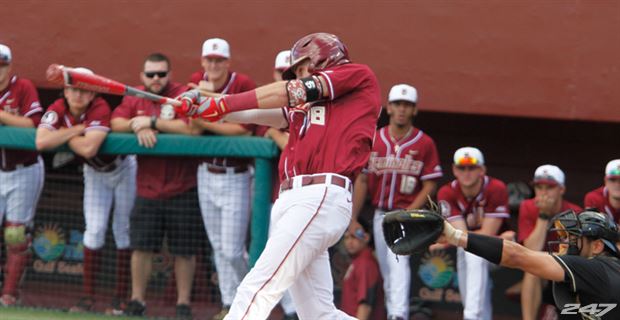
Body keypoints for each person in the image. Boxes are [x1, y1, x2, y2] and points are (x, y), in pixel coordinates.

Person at [175, 32, 381, 320]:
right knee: (318, 314)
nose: (298, 75)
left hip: (319, 194)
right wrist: (202, 101)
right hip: (294, 200)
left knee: (258, 286)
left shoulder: (355, 75)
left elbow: (287, 92)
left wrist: (220, 105)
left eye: (302, 67)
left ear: (323, 56)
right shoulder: (306, 107)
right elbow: (250, 112)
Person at [35, 67, 137, 314]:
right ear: (66, 91)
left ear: (93, 94)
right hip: (94, 174)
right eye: (73, 89)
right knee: (94, 231)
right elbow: (41, 141)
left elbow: (89, 148)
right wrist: (75, 131)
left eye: (84, 90)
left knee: (122, 230)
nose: (78, 95)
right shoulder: (58, 107)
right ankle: (88, 298)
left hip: (122, 168)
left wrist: (61, 135)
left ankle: (121, 298)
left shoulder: (100, 106)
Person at [110, 53, 202, 319]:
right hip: (147, 187)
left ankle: (183, 305)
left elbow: (191, 128)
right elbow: (115, 123)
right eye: (150, 74)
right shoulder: (135, 95)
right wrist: (135, 126)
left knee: (184, 250)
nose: (156, 79)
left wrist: (152, 123)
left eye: (161, 73)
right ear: (142, 76)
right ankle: (137, 301)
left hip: (183, 185)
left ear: (169, 74)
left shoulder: (182, 94)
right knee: (141, 247)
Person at [351, 83, 442, 320]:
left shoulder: (424, 143)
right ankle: (395, 312)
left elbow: (430, 184)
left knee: (398, 261)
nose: (402, 109)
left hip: (406, 212)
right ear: (389, 108)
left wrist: (410, 213)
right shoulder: (375, 139)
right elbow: (362, 180)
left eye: (407, 105)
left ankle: (398, 314)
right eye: (398, 104)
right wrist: (352, 217)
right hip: (380, 212)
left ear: (414, 110)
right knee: (387, 267)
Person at [437, 208, 620, 319]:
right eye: (564, 238)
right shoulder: (601, 272)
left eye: (573, 239)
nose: (565, 245)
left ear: (597, 246)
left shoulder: (596, 269)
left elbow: (516, 256)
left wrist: (455, 236)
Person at [188, 37, 256, 320]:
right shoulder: (196, 80)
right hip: (206, 173)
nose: (213, 65)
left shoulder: (242, 84)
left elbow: (244, 129)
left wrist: (207, 117)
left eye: (219, 60)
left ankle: (248, 299)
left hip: (236, 175)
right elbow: (192, 127)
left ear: (227, 63)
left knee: (232, 250)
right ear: (203, 61)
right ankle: (230, 304)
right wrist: (210, 117)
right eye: (209, 60)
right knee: (217, 245)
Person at [437, 147, 510, 320]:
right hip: (472, 250)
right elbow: (461, 236)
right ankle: (475, 316)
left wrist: (452, 239)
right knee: (469, 250)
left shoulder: (496, 188)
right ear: (454, 170)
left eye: (472, 168)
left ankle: (470, 315)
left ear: (482, 170)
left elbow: (484, 236)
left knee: (473, 249)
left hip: (502, 250)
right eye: (462, 168)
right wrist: (453, 239)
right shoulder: (446, 192)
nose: (466, 173)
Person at [0, 43, 44, 306]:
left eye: (2, 65)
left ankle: (9, 293)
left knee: (15, 234)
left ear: (9, 66)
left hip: (24, 168)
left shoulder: (23, 87)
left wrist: (2, 116)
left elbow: (33, 124)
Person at [518, 165, 581, 320]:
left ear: (561, 189)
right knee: (532, 269)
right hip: (539, 265)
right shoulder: (528, 206)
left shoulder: (575, 212)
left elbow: (575, 256)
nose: (543, 192)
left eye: (550, 187)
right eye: (539, 187)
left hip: (565, 268)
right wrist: (543, 215)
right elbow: (531, 249)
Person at [341, 219, 386, 320]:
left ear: (366, 237)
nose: (349, 242)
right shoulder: (357, 261)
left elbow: (365, 303)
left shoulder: (365, 263)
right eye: (346, 237)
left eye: (353, 237)